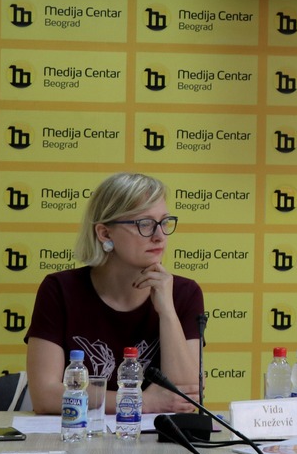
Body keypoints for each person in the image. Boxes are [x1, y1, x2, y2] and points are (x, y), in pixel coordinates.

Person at [25, 172, 204, 415]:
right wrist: (143, 402)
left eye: (164, 222)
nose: (159, 236)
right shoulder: (59, 289)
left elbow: (187, 397)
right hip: (79, 433)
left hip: (157, 438)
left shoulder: (184, 292)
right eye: (145, 224)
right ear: (105, 233)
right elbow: (45, 396)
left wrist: (167, 312)